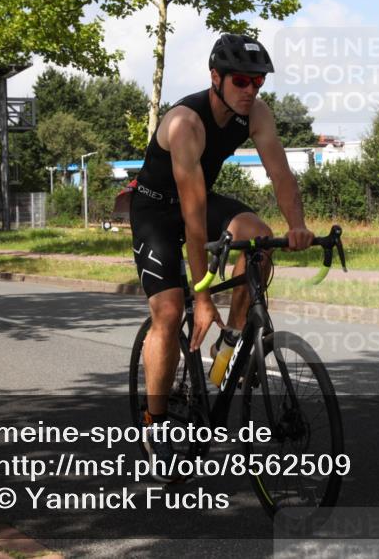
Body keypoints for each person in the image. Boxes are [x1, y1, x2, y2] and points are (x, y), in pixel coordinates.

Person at [130, 34, 314, 478]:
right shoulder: (184, 124)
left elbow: (280, 173)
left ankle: (230, 342)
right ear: (216, 78)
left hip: (197, 201)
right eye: (241, 80)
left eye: (258, 81)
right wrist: (204, 294)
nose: (251, 89)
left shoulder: (256, 113)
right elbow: (193, 221)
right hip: (157, 210)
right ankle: (155, 424)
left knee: (259, 241)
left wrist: (298, 226)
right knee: (172, 312)